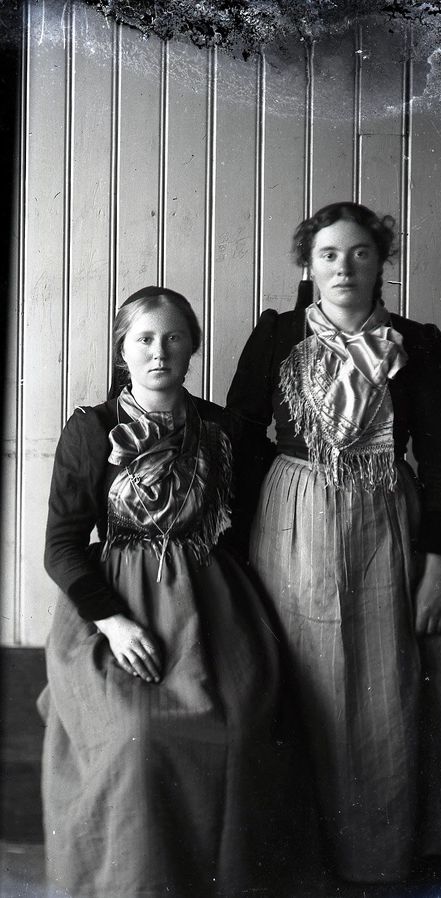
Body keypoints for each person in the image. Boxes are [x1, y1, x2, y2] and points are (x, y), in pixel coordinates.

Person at [226, 202, 441, 885]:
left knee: (385, 683)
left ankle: (378, 855)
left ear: (381, 262)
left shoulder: (417, 343)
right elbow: (240, 438)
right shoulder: (278, 335)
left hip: (386, 523)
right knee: (300, 675)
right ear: (308, 266)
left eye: (361, 252)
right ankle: (300, 857)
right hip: (291, 524)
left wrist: (439, 565)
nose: (345, 267)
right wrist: (240, 540)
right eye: (329, 254)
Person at [38, 286, 283, 898]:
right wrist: (114, 624)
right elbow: (61, 545)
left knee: (237, 726)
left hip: (209, 603)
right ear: (123, 349)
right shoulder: (92, 429)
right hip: (113, 609)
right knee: (137, 737)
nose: (159, 352)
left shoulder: (222, 429)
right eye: (144, 338)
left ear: (192, 345)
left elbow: (248, 524)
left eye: (173, 337)